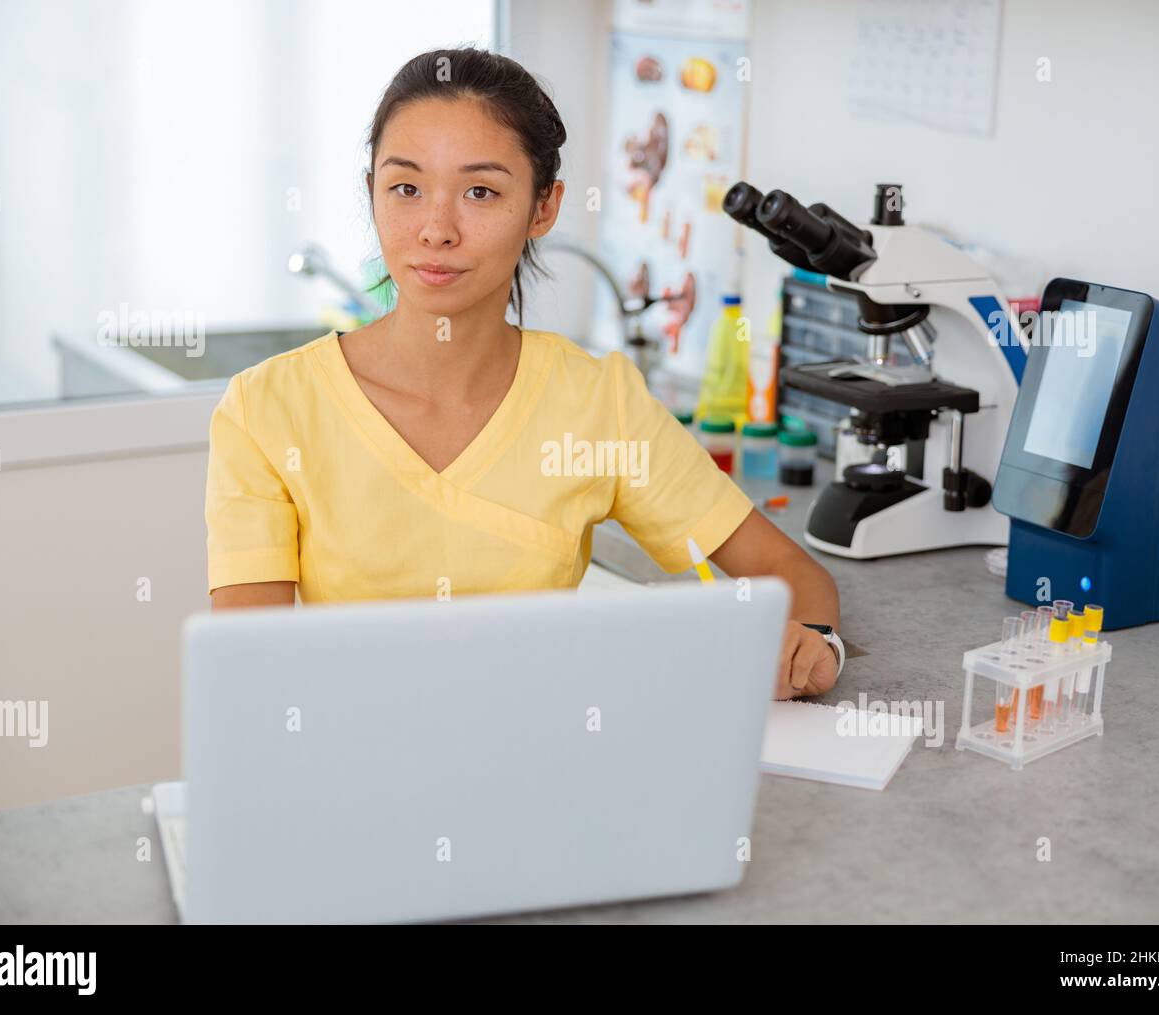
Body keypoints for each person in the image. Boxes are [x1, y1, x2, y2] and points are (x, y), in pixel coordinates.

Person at [205, 46, 841, 698]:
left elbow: (787, 569)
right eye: (405, 187)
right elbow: (253, 672)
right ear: (372, 192)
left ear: (544, 207)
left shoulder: (598, 403)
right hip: (352, 771)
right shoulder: (268, 407)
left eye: (480, 191)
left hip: (544, 764)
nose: (436, 228)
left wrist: (809, 643)